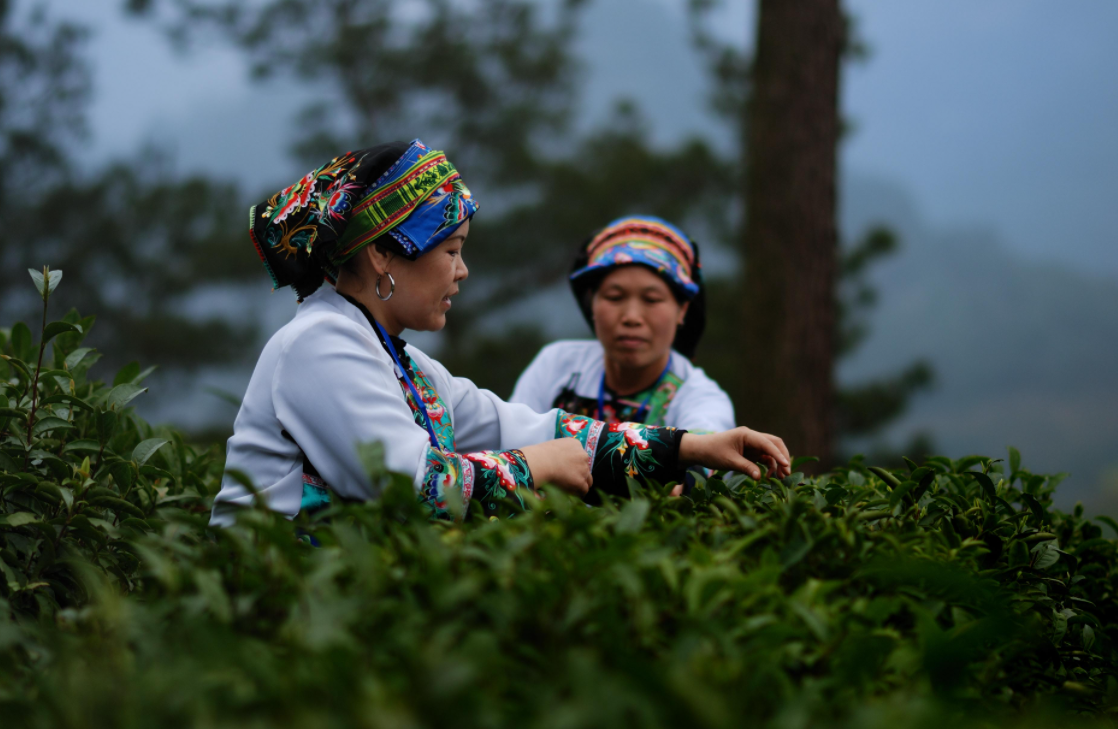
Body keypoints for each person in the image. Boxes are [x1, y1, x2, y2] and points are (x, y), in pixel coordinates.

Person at [210, 141, 790, 526]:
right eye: (452, 251)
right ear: (386, 253)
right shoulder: (320, 345)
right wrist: (539, 464)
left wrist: (689, 445)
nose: (462, 271)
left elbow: (531, 425)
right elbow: (415, 488)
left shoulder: (404, 364)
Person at [511, 216, 733, 434]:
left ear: (682, 310)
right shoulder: (556, 367)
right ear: (591, 303)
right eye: (615, 297)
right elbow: (507, 444)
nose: (632, 317)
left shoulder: (700, 401)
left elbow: (705, 461)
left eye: (652, 300)